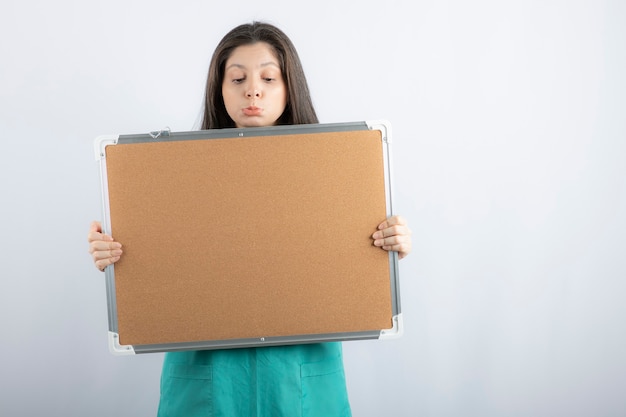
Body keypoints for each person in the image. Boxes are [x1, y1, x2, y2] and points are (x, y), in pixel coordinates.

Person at [88, 22, 412, 417]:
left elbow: (350, 265)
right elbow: (156, 267)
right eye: (237, 77)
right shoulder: (170, 177)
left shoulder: (336, 172)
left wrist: (389, 248)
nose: (252, 89)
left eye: (269, 77)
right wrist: (116, 251)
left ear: (289, 86)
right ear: (219, 89)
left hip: (300, 377)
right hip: (206, 379)